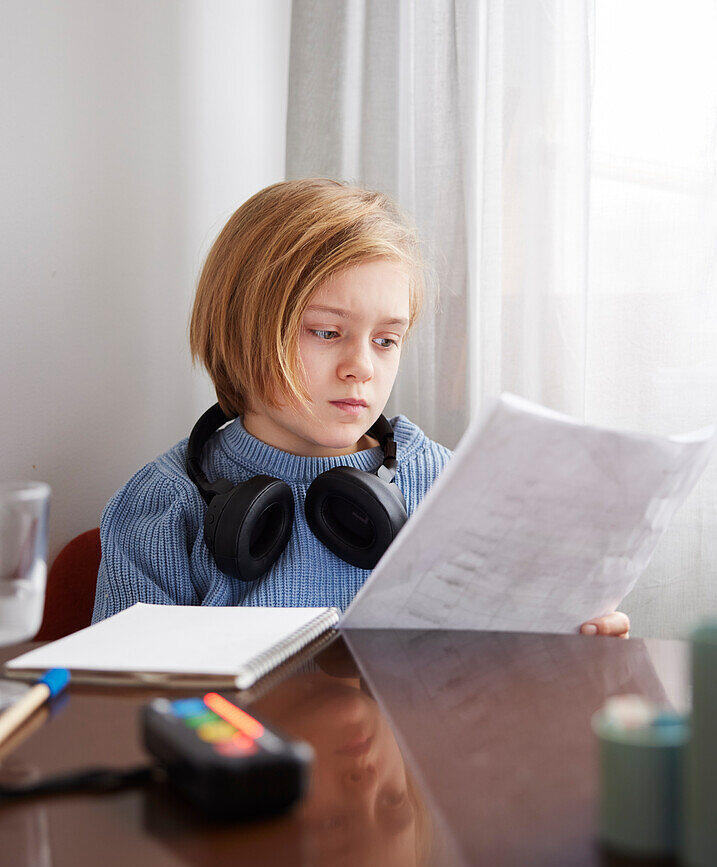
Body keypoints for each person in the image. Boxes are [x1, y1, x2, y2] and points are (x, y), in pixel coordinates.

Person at [92, 178, 629, 638]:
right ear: (240, 329)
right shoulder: (161, 506)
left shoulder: (445, 483)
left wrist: (568, 642)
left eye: (387, 340)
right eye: (327, 332)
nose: (361, 367)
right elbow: (122, 710)